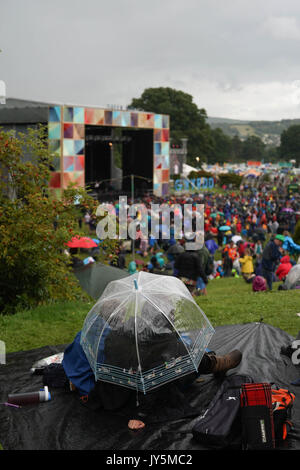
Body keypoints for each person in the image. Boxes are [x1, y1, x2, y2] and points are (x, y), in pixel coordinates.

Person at [51, 329, 242, 431]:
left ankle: (212, 362)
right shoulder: (114, 341)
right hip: (130, 383)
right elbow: (151, 380)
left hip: (122, 380)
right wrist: (140, 414)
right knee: (177, 354)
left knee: (178, 352)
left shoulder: (90, 335)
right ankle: (213, 362)